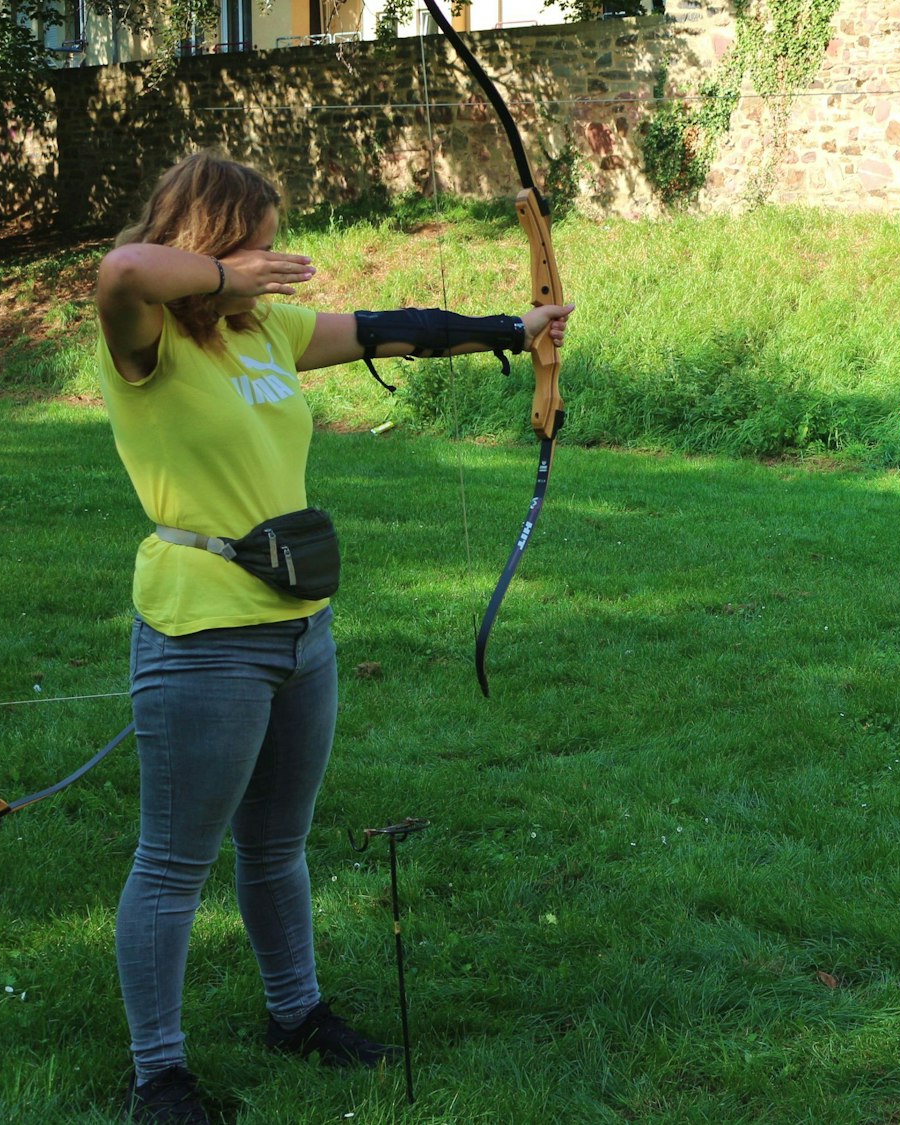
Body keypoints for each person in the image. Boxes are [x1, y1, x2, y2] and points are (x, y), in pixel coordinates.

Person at [93, 151, 573, 1125]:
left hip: (298, 625)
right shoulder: (143, 343)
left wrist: (508, 331)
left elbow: (388, 332)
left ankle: (295, 1014)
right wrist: (227, 281)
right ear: (209, 241)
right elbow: (122, 273)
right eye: (252, 245)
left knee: (276, 843)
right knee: (176, 862)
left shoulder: (264, 330)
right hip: (202, 635)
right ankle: (160, 1077)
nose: (272, 262)